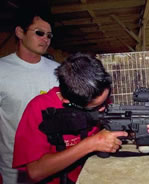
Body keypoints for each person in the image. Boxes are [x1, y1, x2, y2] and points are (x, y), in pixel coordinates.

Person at [12, 53, 149, 183]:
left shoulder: (96, 97)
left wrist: (135, 128)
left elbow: (110, 129)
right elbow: (34, 172)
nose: (104, 108)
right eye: (96, 107)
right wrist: (91, 144)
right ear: (68, 102)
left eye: (106, 100)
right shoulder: (39, 109)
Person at [0, 7, 59, 183]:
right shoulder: (2, 70)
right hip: (13, 171)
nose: (45, 39)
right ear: (20, 32)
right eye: (39, 33)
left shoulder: (57, 71)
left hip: (54, 165)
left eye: (49, 35)